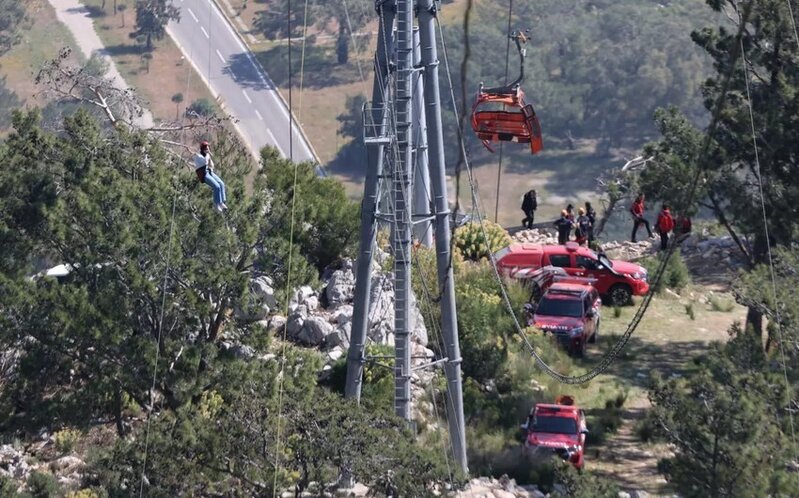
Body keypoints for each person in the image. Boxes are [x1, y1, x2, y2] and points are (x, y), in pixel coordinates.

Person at [194, 140, 227, 213]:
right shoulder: (198, 156)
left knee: (221, 184)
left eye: (208, 148)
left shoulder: (207, 155)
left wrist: (210, 158)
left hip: (209, 171)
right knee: (216, 186)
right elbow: (204, 162)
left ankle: (222, 202)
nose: (207, 150)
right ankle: (216, 204)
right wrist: (208, 155)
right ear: (203, 149)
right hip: (203, 174)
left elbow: (212, 165)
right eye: (206, 149)